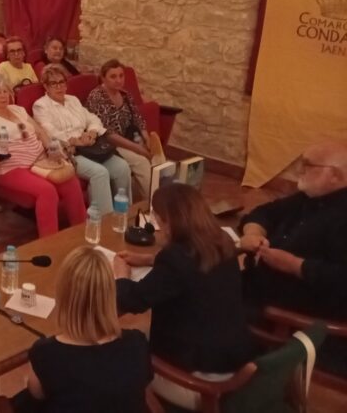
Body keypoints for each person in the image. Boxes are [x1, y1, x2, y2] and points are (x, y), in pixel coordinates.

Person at [115, 183, 253, 409]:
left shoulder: (175, 260)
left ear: (169, 223)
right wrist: (149, 259)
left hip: (198, 381)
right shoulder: (222, 241)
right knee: (135, 335)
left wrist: (120, 275)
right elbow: (193, 265)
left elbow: (131, 300)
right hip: (232, 360)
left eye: (157, 219)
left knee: (112, 349)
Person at [0, 247, 151, 413]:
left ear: (63, 295)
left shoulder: (47, 354)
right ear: (111, 295)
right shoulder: (137, 343)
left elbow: (36, 394)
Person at [239, 141, 347, 324]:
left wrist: (295, 265)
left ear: (335, 176)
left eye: (307, 165)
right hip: (262, 285)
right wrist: (253, 233)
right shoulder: (309, 196)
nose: (299, 170)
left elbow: (341, 279)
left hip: (298, 310)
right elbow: (265, 212)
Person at [0, 74, 86, 238]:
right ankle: (49, 242)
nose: (3, 96)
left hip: (39, 161)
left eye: (5, 91)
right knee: (47, 191)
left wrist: (52, 151)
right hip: (12, 167)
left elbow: (40, 132)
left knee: (71, 182)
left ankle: (81, 232)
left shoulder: (18, 110)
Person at [33, 64, 131, 215]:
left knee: (122, 167)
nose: (59, 87)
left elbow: (92, 119)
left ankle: (124, 214)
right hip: (69, 152)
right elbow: (50, 132)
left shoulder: (73, 100)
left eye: (62, 82)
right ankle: (103, 221)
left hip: (89, 147)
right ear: (46, 86)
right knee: (99, 172)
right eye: (53, 83)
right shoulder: (40, 106)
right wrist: (77, 141)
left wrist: (91, 133)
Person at [86, 60, 156, 202]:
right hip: (107, 144)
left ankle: (160, 198)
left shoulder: (125, 94)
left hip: (128, 138)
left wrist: (146, 137)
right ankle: (153, 204)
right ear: (103, 78)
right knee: (141, 161)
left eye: (121, 75)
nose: (118, 80)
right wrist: (137, 148)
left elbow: (138, 118)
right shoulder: (97, 97)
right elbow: (107, 134)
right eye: (113, 76)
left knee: (156, 158)